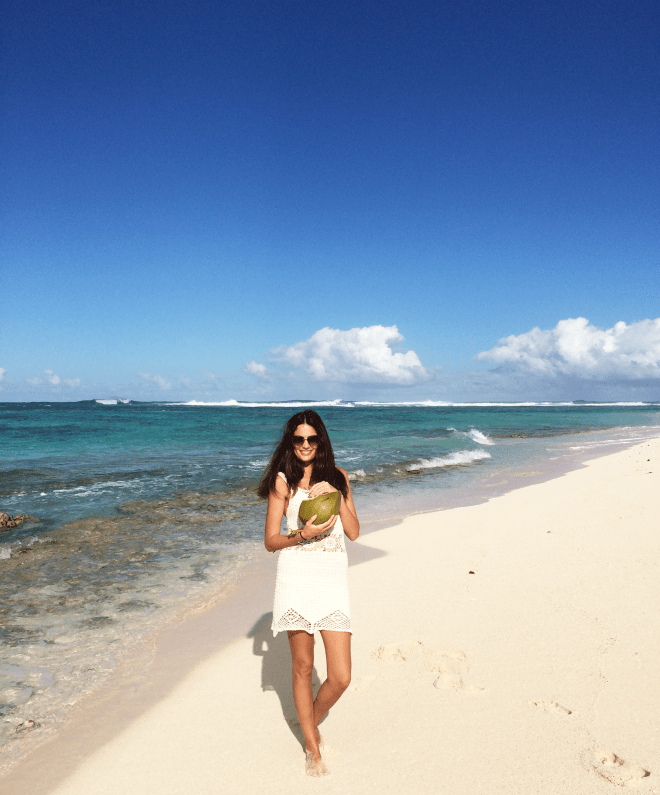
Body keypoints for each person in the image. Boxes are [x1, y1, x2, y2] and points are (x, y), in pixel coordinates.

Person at [258, 410, 359, 776]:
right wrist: (302, 535)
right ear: (290, 441)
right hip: (297, 576)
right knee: (302, 666)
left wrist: (336, 492)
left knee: (341, 676)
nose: (304, 445)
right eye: (298, 439)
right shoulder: (282, 482)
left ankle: (308, 724)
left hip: (331, 579)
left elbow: (353, 532)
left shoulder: (339, 477)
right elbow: (271, 541)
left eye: (311, 439)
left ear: (321, 441)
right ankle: (312, 749)